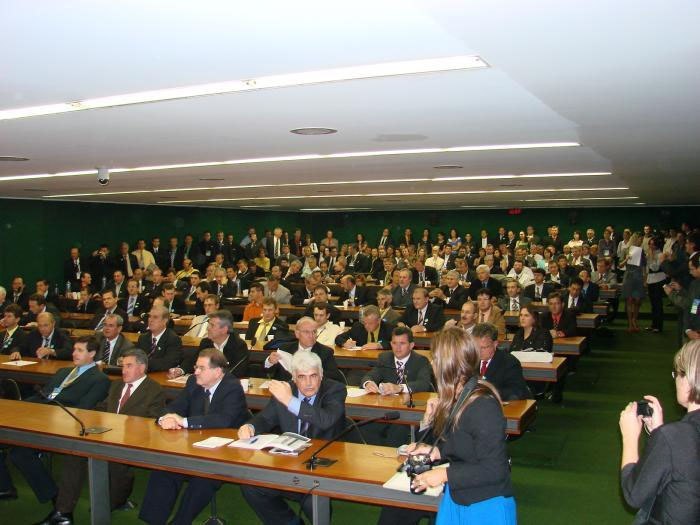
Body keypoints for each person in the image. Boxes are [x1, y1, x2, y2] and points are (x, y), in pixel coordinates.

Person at [33, 349, 165, 523]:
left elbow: (151, 421)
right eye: (123, 366)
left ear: (142, 368)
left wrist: (120, 427)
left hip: (129, 441)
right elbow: (102, 408)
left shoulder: (154, 390)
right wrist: (88, 419)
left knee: (116, 471)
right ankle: (62, 513)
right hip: (104, 435)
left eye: (129, 366)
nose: (123, 370)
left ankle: (117, 500)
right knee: (75, 455)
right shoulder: (117, 385)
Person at [404, 327, 516, 524]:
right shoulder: (457, 398)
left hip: (485, 505)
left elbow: (495, 469)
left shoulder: (483, 405)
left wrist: (443, 474)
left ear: (449, 364)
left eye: (435, 358)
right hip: (459, 497)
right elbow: (462, 444)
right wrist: (436, 451)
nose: (432, 363)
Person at [139, 348, 248, 525]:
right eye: (196, 366)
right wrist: (165, 418)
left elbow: (224, 419)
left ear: (218, 372)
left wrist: (184, 421)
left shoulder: (232, 386)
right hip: (194, 444)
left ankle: (181, 522)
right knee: (165, 468)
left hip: (225, 451)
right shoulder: (193, 382)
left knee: (203, 479)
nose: (195, 371)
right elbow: (176, 406)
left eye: (201, 368)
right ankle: (153, 520)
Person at [238, 351, 347, 525]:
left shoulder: (335, 389)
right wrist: (250, 426)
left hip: (322, 463)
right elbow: (266, 418)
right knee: (251, 487)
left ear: (321, 375)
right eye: (302, 377)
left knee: (314, 503)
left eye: (313, 376)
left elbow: (326, 420)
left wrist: (289, 400)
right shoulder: (287, 389)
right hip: (288, 460)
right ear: (294, 378)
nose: (309, 383)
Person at [0, 336, 110, 505]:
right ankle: (5, 487)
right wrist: (20, 408)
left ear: (92, 354)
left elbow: (83, 409)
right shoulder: (63, 372)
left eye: (80, 350)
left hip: (63, 423)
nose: (74, 353)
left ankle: (54, 496)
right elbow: (43, 396)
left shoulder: (99, 379)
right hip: (39, 416)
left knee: (19, 453)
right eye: (74, 349)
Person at [618, 340, 700, 524]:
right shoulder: (673, 436)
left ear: (689, 379)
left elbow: (634, 494)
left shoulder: (673, 437)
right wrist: (659, 431)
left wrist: (630, 437)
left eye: (677, 374)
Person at [264, 316, 344, 383]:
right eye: (306, 332)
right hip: (286, 390)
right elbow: (268, 373)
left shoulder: (325, 352)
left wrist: (316, 372)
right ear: (297, 334)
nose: (311, 335)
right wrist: (269, 361)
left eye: (314, 332)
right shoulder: (285, 349)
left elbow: (335, 377)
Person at [472, 322, 531, 401]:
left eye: (483, 347)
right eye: (476, 347)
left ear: (495, 344)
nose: (478, 351)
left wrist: (486, 393)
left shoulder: (510, 363)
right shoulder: (470, 360)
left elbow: (516, 392)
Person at [136, 305, 183, 372]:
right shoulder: (143, 338)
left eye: (155, 317)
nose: (150, 320)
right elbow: (137, 357)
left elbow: (168, 363)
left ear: (165, 321)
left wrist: (143, 364)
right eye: (150, 316)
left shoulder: (173, 339)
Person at [620, 232, 646, 332]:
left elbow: (644, 267)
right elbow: (620, 265)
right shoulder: (625, 249)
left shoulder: (641, 251)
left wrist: (644, 280)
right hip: (629, 276)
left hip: (638, 277)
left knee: (638, 301)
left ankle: (635, 319)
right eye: (640, 239)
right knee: (629, 300)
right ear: (636, 239)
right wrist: (626, 259)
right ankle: (630, 323)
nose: (642, 240)